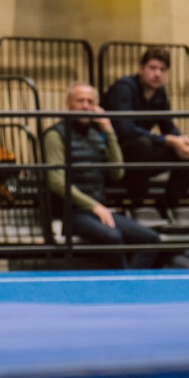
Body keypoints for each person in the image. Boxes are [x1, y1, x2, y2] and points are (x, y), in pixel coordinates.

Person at [43, 81, 164, 270]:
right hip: (71, 212)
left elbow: (117, 173)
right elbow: (56, 181)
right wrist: (94, 206)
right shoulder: (55, 135)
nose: (86, 106)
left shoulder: (96, 134)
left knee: (151, 239)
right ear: (68, 103)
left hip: (98, 209)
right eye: (80, 101)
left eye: (90, 102)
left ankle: (128, 283)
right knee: (113, 237)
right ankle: (125, 285)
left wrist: (110, 133)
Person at [102, 47, 189, 208]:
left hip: (142, 154)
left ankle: (170, 204)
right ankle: (137, 204)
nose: (157, 74)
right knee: (142, 144)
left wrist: (181, 140)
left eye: (162, 70)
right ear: (141, 69)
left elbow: (167, 125)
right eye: (152, 68)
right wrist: (167, 140)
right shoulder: (124, 88)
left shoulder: (160, 93)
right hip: (115, 154)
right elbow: (127, 130)